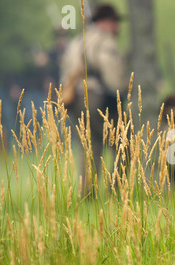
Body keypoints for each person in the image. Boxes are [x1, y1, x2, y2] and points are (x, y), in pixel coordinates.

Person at [60, 4, 128, 194]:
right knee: (124, 143)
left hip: (76, 98)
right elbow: (112, 73)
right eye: (115, 22)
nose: (118, 28)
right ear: (107, 22)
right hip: (97, 97)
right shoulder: (105, 42)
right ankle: (117, 191)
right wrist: (122, 89)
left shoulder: (77, 41)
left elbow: (65, 70)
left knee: (90, 146)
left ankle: (87, 193)